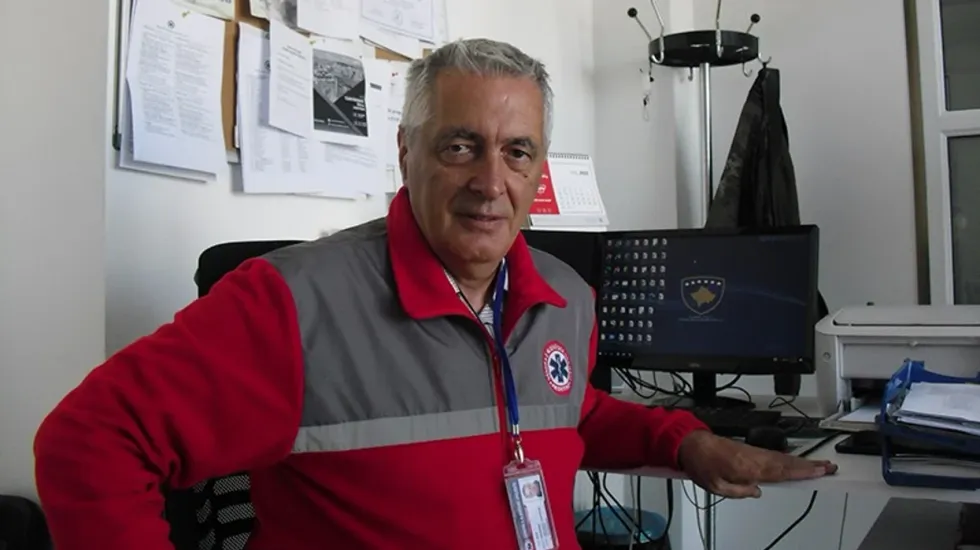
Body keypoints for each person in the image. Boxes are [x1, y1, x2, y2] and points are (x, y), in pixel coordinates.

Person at [34, 38, 836, 550]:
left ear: (538, 167)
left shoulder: (564, 295)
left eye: (517, 152)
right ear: (406, 152)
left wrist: (683, 441)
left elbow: (571, 414)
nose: (491, 182)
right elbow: (88, 442)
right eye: (460, 146)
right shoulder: (292, 303)